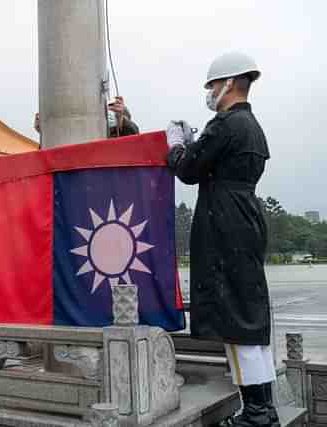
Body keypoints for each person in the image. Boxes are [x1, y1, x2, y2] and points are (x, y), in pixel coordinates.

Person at [166, 52, 277, 426]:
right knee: (249, 317)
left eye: (212, 84)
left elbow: (189, 171)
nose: (210, 91)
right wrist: (199, 143)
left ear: (228, 83)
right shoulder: (252, 126)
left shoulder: (226, 123)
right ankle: (264, 407)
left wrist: (178, 145)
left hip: (224, 222)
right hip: (244, 218)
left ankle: (256, 414)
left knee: (236, 321)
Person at [34, 96, 139, 137]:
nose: (110, 113)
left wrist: (121, 120)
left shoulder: (125, 134)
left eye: (114, 109)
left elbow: (134, 136)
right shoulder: (90, 135)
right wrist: (45, 133)